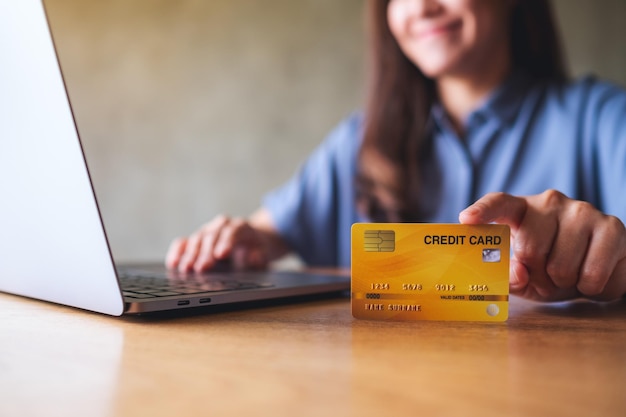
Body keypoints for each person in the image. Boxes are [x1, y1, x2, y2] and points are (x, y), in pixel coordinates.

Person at [166, 0, 626, 303]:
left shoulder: (604, 118)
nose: (422, 7)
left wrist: (607, 259)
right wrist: (243, 239)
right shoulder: (359, 140)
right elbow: (268, 231)